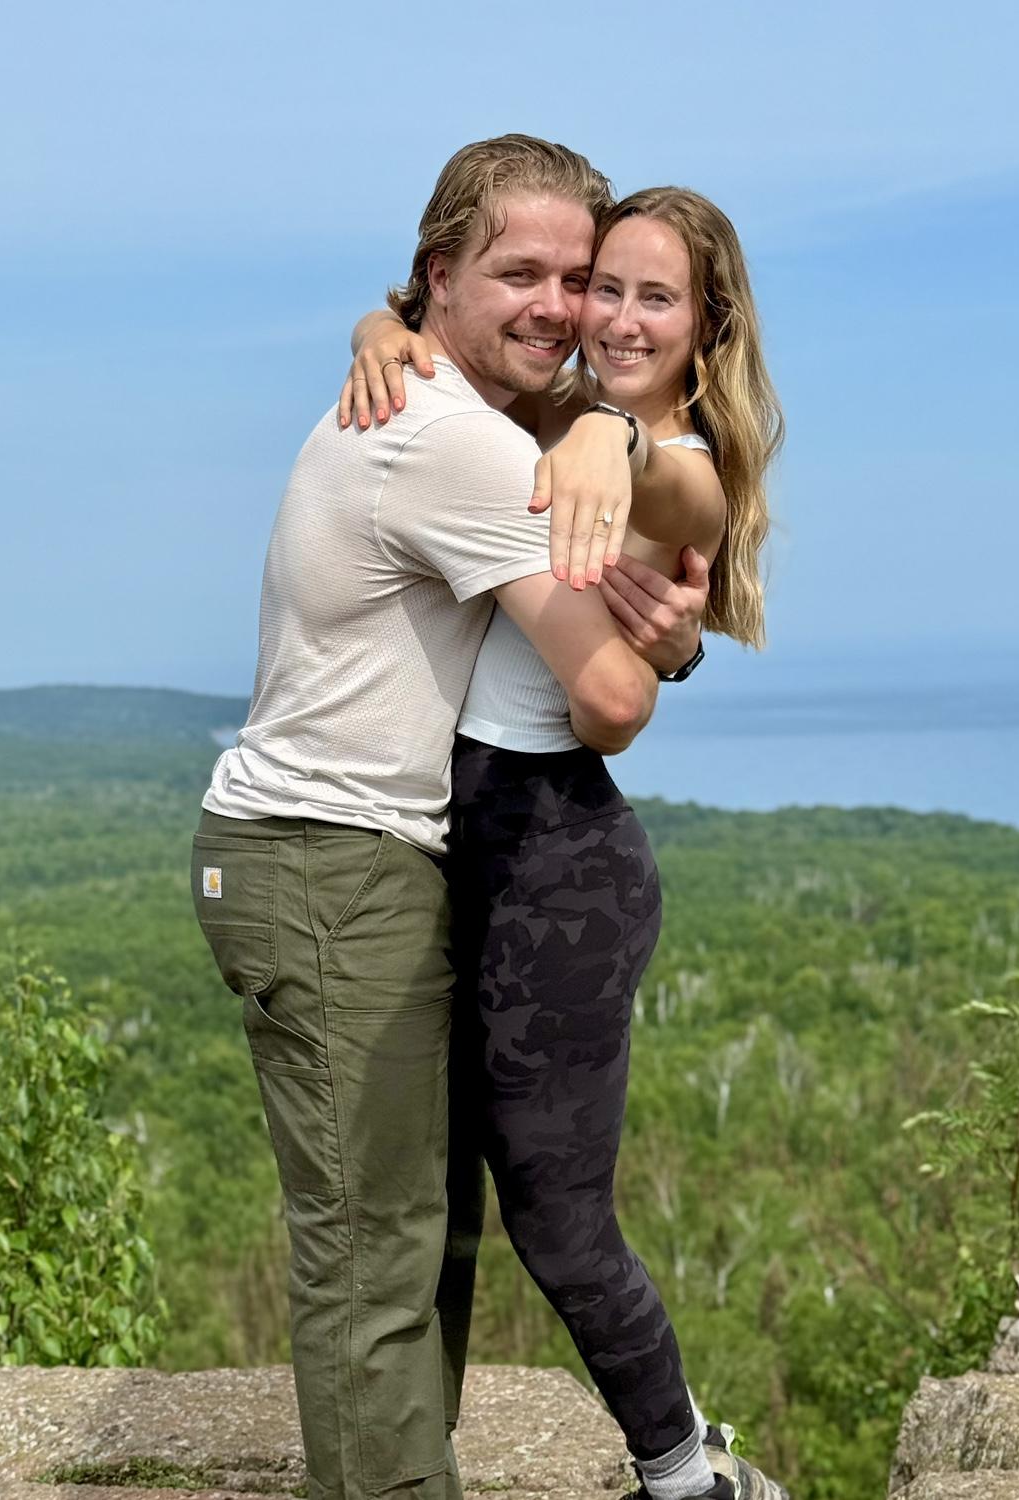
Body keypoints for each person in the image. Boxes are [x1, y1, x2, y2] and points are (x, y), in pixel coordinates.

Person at [190, 136, 706, 1500]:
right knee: (378, 1250)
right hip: (328, 861)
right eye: (518, 272)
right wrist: (662, 644)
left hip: (353, 858)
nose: (555, 305)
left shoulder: (419, 385)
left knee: (423, 1235)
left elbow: (661, 480)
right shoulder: (456, 441)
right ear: (438, 277)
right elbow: (608, 695)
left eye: (577, 278)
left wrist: (392, 325)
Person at [338, 185, 785, 1500]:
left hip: (560, 874)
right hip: (464, 847)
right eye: (608, 289)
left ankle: (684, 1477)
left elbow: (697, 505)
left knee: (558, 1219)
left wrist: (621, 452)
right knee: (447, 1196)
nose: (618, 317)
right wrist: (384, 321)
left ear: (709, 324)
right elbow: (452, 351)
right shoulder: (543, 416)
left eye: (657, 297)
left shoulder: (668, 448)